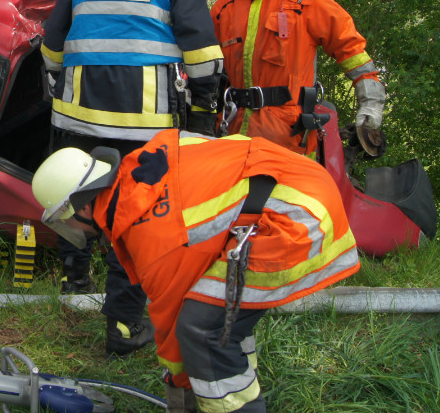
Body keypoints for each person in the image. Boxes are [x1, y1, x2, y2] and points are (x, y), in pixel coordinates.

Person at [32, 130, 360, 413]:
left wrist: (179, 392)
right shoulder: (139, 169)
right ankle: (234, 380)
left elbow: (173, 328)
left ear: (85, 205)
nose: (71, 230)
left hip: (295, 215)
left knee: (201, 330)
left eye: (67, 220)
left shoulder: (153, 237)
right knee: (216, 312)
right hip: (294, 184)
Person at [40, 0, 225, 357]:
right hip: (143, 112)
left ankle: (74, 280)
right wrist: (204, 100)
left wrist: (54, 74)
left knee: (77, 191)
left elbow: (55, 33)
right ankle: (123, 324)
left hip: (79, 104)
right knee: (136, 209)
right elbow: (196, 36)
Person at [210, 0, 385, 156]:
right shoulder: (223, 8)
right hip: (234, 132)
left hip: (291, 135)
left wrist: (371, 103)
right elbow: (208, 68)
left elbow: (351, 50)